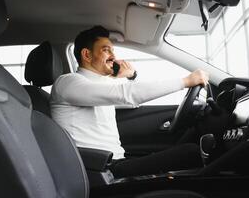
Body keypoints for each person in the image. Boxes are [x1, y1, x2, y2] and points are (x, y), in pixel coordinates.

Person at [50, 26, 209, 178]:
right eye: (106, 50)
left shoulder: (99, 85)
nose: (113, 56)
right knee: (191, 152)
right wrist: (186, 81)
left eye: (113, 50)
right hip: (96, 169)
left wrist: (130, 76)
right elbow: (126, 95)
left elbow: (131, 102)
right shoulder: (68, 83)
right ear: (87, 55)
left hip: (113, 163)